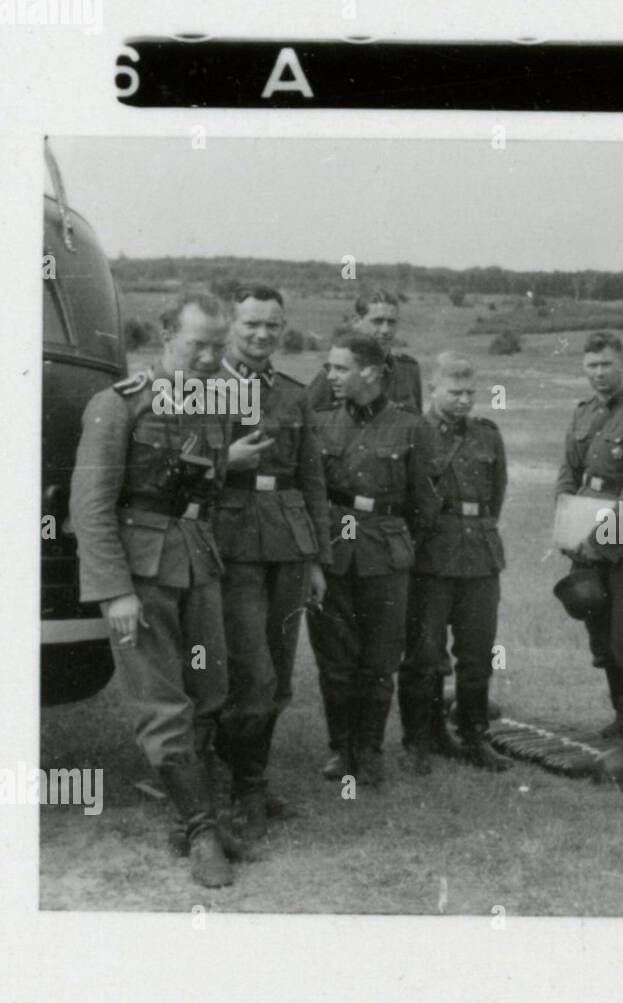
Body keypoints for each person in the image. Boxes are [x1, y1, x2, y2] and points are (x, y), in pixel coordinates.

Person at [69, 291, 268, 887]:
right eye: (197, 344)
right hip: (142, 573)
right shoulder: (117, 405)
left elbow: (197, 480)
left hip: (197, 563)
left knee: (209, 691)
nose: (210, 357)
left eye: (217, 344)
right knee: (162, 704)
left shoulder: (213, 405)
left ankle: (195, 817)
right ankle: (203, 830)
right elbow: (91, 505)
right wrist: (114, 592)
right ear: (164, 338)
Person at [212, 285, 331, 838]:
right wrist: (223, 462)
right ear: (231, 326)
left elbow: (312, 479)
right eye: (251, 325)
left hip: (288, 544)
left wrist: (316, 561)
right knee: (250, 674)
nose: (262, 335)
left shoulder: (293, 394)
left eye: (273, 326)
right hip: (230, 545)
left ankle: (249, 780)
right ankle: (241, 789)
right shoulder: (203, 387)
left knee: (279, 676)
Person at [306, 332, 436, 788]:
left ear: (371, 372)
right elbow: (311, 492)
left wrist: (399, 543)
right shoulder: (320, 423)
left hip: (386, 554)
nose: (330, 376)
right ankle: (341, 749)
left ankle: (371, 749)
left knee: (380, 660)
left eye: (340, 368)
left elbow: (424, 503)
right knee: (335, 661)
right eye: (329, 367)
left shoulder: (412, 428)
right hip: (333, 555)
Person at [398, 352, 511, 772]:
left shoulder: (487, 435)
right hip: (430, 556)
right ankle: (421, 739)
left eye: (470, 392)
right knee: (425, 655)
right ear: (433, 389)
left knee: (478, 652)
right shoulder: (415, 432)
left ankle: (474, 736)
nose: (464, 400)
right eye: (454, 392)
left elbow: (494, 496)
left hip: (480, 556)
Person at [555, 332, 623, 742]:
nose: (599, 373)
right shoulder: (581, 414)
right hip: (583, 523)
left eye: (606, 365)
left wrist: (603, 538)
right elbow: (568, 472)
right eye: (592, 366)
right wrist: (565, 523)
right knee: (596, 623)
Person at [306, 289, 423, 413]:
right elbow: (307, 422)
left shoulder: (408, 370)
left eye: (391, 322)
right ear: (357, 321)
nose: (385, 330)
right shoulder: (333, 374)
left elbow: (418, 425)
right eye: (377, 321)